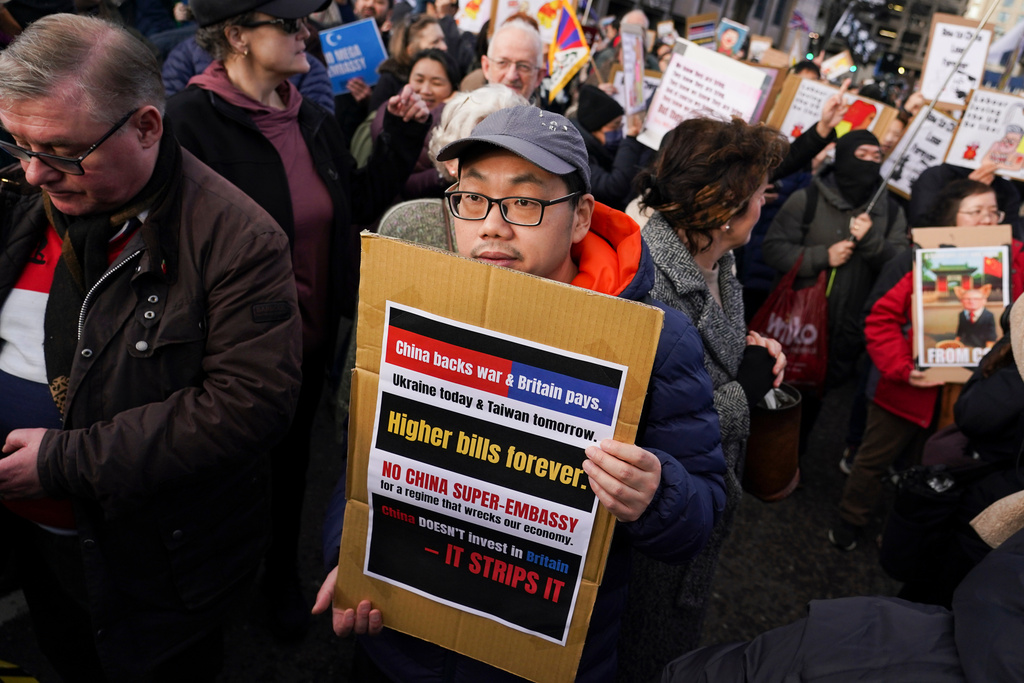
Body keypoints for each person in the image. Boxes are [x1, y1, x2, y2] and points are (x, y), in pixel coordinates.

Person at [313, 105, 728, 682]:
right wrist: (348, 555)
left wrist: (657, 493)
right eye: (473, 199)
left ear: (581, 216)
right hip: (399, 642)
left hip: (537, 660)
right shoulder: (418, 305)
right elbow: (364, 460)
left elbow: (703, 514)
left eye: (524, 203)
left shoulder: (654, 340)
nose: (491, 226)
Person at [0, 13, 302, 681]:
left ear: (145, 126)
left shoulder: (238, 238)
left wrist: (64, 460)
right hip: (43, 554)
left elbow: (250, 405)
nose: (32, 173)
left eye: (60, 151)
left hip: (157, 571)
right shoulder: (23, 201)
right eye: (16, 143)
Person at [165, 0, 430, 639]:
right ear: (236, 37)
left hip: (305, 345)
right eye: (286, 24)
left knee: (289, 475)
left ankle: (279, 579)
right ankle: (203, 603)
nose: (304, 31)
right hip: (223, 357)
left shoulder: (309, 117)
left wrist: (397, 139)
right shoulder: (186, 122)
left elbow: (355, 210)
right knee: (221, 479)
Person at [616, 117, 788, 681]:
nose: (767, 202)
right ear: (726, 208)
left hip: (703, 493)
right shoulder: (648, 281)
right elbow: (641, 424)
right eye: (761, 192)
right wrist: (745, 393)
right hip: (655, 513)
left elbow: (710, 353)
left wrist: (747, 350)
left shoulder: (721, 260)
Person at [829, 179, 1023, 550]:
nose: (987, 219)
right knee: (873, 459)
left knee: (936, 467)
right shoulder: (918, 257)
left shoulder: (1014, 259)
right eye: (976, 211)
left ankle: (907, 531)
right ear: (952, 218)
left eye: (993, 211)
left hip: (964, 394)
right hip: (907, 386)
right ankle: (850, 520)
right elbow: (878, 319)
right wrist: (901, 367)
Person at [762, 130, 908, 451]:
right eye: (862, 155)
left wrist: (870, 241)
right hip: (795, 323)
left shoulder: (891, 211)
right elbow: (772, 249)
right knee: (774, 393)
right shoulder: (808, 199)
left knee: (815, 400)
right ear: (843, 157)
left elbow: (900, 266)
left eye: (876, 156)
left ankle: (793, 460)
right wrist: (821, 257)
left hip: (846, 325)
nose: (870, 162)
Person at [569, 84, 648, 211]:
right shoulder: (576, 153)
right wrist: (631, 141)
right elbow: (613, 187)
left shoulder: (599, 146)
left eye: (620, 124)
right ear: (594, 127)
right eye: (615, 125)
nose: (618, 130)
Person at [369, 14, 446, 111]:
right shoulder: (389, 81)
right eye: (435, 42)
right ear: (410, 50)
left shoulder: (448, 71)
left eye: (443, 40)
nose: (444, 47)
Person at [480, 16, 543, 100]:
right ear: (486, 67)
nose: (511, 76)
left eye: (524, 66)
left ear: (538, 76)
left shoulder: (545, 112)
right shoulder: (465, 111)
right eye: (502, 63)